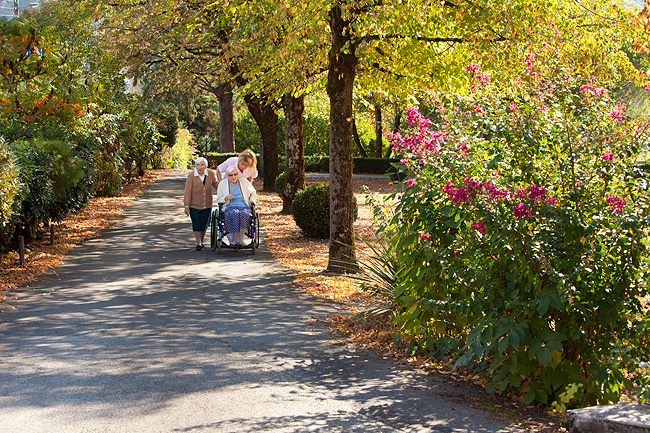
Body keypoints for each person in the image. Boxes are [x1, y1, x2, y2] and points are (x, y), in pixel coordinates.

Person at [216, 165, 257, 248]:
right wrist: (225, 198)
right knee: (234, 214)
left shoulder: (244, 182)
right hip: (229, 207)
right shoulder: (222, 184)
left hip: (243, 206)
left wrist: (252, 200)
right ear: (227, 176)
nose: (233, 177)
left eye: (235, 174)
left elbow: (253, 192)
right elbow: (219, 199)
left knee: (244, 214)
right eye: (231, 175)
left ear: (238, 175)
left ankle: (241, 240)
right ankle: (234, 240)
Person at [183, 157, 219, 250]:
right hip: (194, 204)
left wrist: (225, 186)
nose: (200, 167)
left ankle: (202, 241)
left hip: (207, 204)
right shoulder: (191, 175)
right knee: (196, 223)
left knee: (204, 224)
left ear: (206, 166)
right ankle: (198, 242)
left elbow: (215, 184)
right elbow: (187, 191)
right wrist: (186, 205)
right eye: (198, 165)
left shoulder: (210, 173)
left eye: (202, 165)